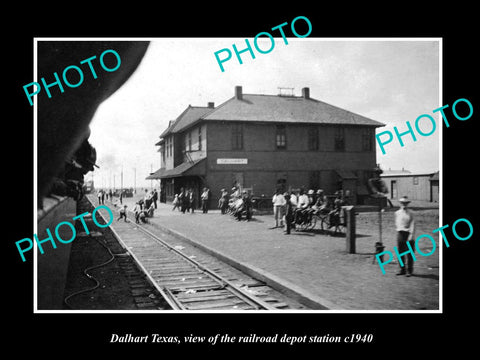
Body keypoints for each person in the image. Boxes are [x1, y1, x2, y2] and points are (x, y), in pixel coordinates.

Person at [395, 196, 415, 276]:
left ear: (408, 204)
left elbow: (413, 224)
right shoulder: (397, 213)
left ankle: (409, 270)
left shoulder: (411, 213)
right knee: (400, 253)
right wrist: (399, 231)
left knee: (409, 253)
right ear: (400, 203)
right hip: (400, 233)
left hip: (408, 234)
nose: (404, 205)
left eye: (406, 203)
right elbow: (397, 223)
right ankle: (402, 269)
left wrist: (411, 235)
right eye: (402, 203)